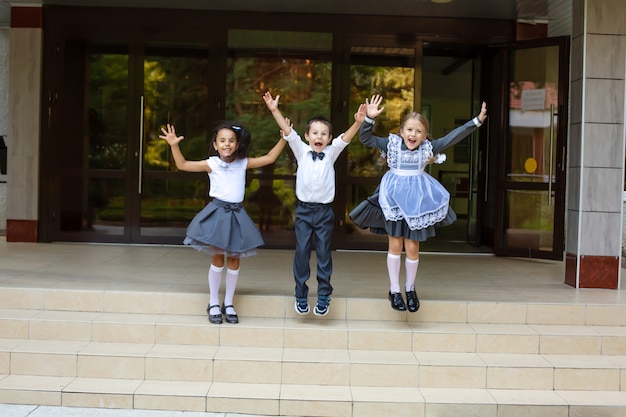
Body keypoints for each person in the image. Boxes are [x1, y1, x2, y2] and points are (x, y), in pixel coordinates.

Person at [350, 95, 487, 313]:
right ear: (402, 131)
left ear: (425, 135)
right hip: (393, 200)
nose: (413, 135)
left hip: (417, 203)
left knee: (412, 247)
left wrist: (476, 121)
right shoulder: (391, 144)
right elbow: (366, 139)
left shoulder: (428, 148)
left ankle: (410, 288)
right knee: (395, 244)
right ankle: (395, 290)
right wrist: (369, 119)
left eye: (419, 131)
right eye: (409, 130)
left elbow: (453, 137)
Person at [159, 121, 287, 324]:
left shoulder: (243, 163)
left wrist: (283, 139)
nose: (227, 144)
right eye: (222, 140)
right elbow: (182, 165)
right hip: (218, 214)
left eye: (231, 141)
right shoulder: (212, 163)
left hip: (237, 215)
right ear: (215, 144)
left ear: (237, 145)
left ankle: (228, 302)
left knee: (234, 259)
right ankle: (213, 302)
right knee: (218, 257)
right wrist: (174, 145)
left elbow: (270, 158)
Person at [263, 91, 367, 317]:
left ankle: (323, 294)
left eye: (324, 134)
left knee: (323, 253)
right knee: (301, 252)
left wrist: (358, 122)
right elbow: (288, 133)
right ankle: (300, 293)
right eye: (315, 133)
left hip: (324, 212)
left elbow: (346, 138)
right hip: (303, 211)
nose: (319, 137)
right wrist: (274, 110)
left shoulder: (331, 153)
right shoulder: (301, 150)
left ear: (329, 138)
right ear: (308, 136)